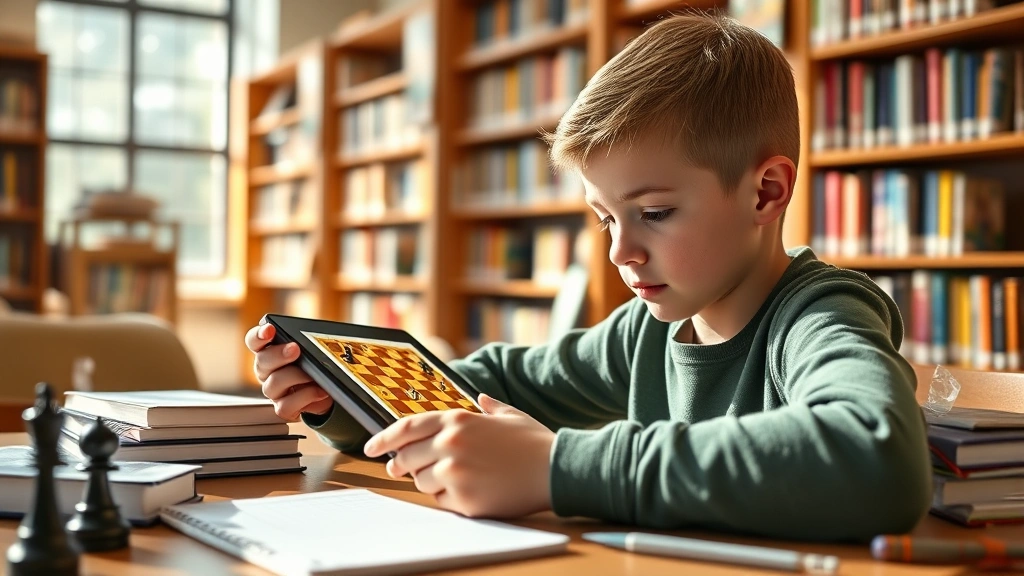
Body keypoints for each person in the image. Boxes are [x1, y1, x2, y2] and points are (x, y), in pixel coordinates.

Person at [245, 12, 931, 542]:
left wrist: (556, 468)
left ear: (765, 194)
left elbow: (876, 456)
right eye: (605, 219)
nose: (620, 251)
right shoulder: (645, 332)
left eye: (654, 213)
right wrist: (341, 400)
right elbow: (492, 389)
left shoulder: (819, 313)